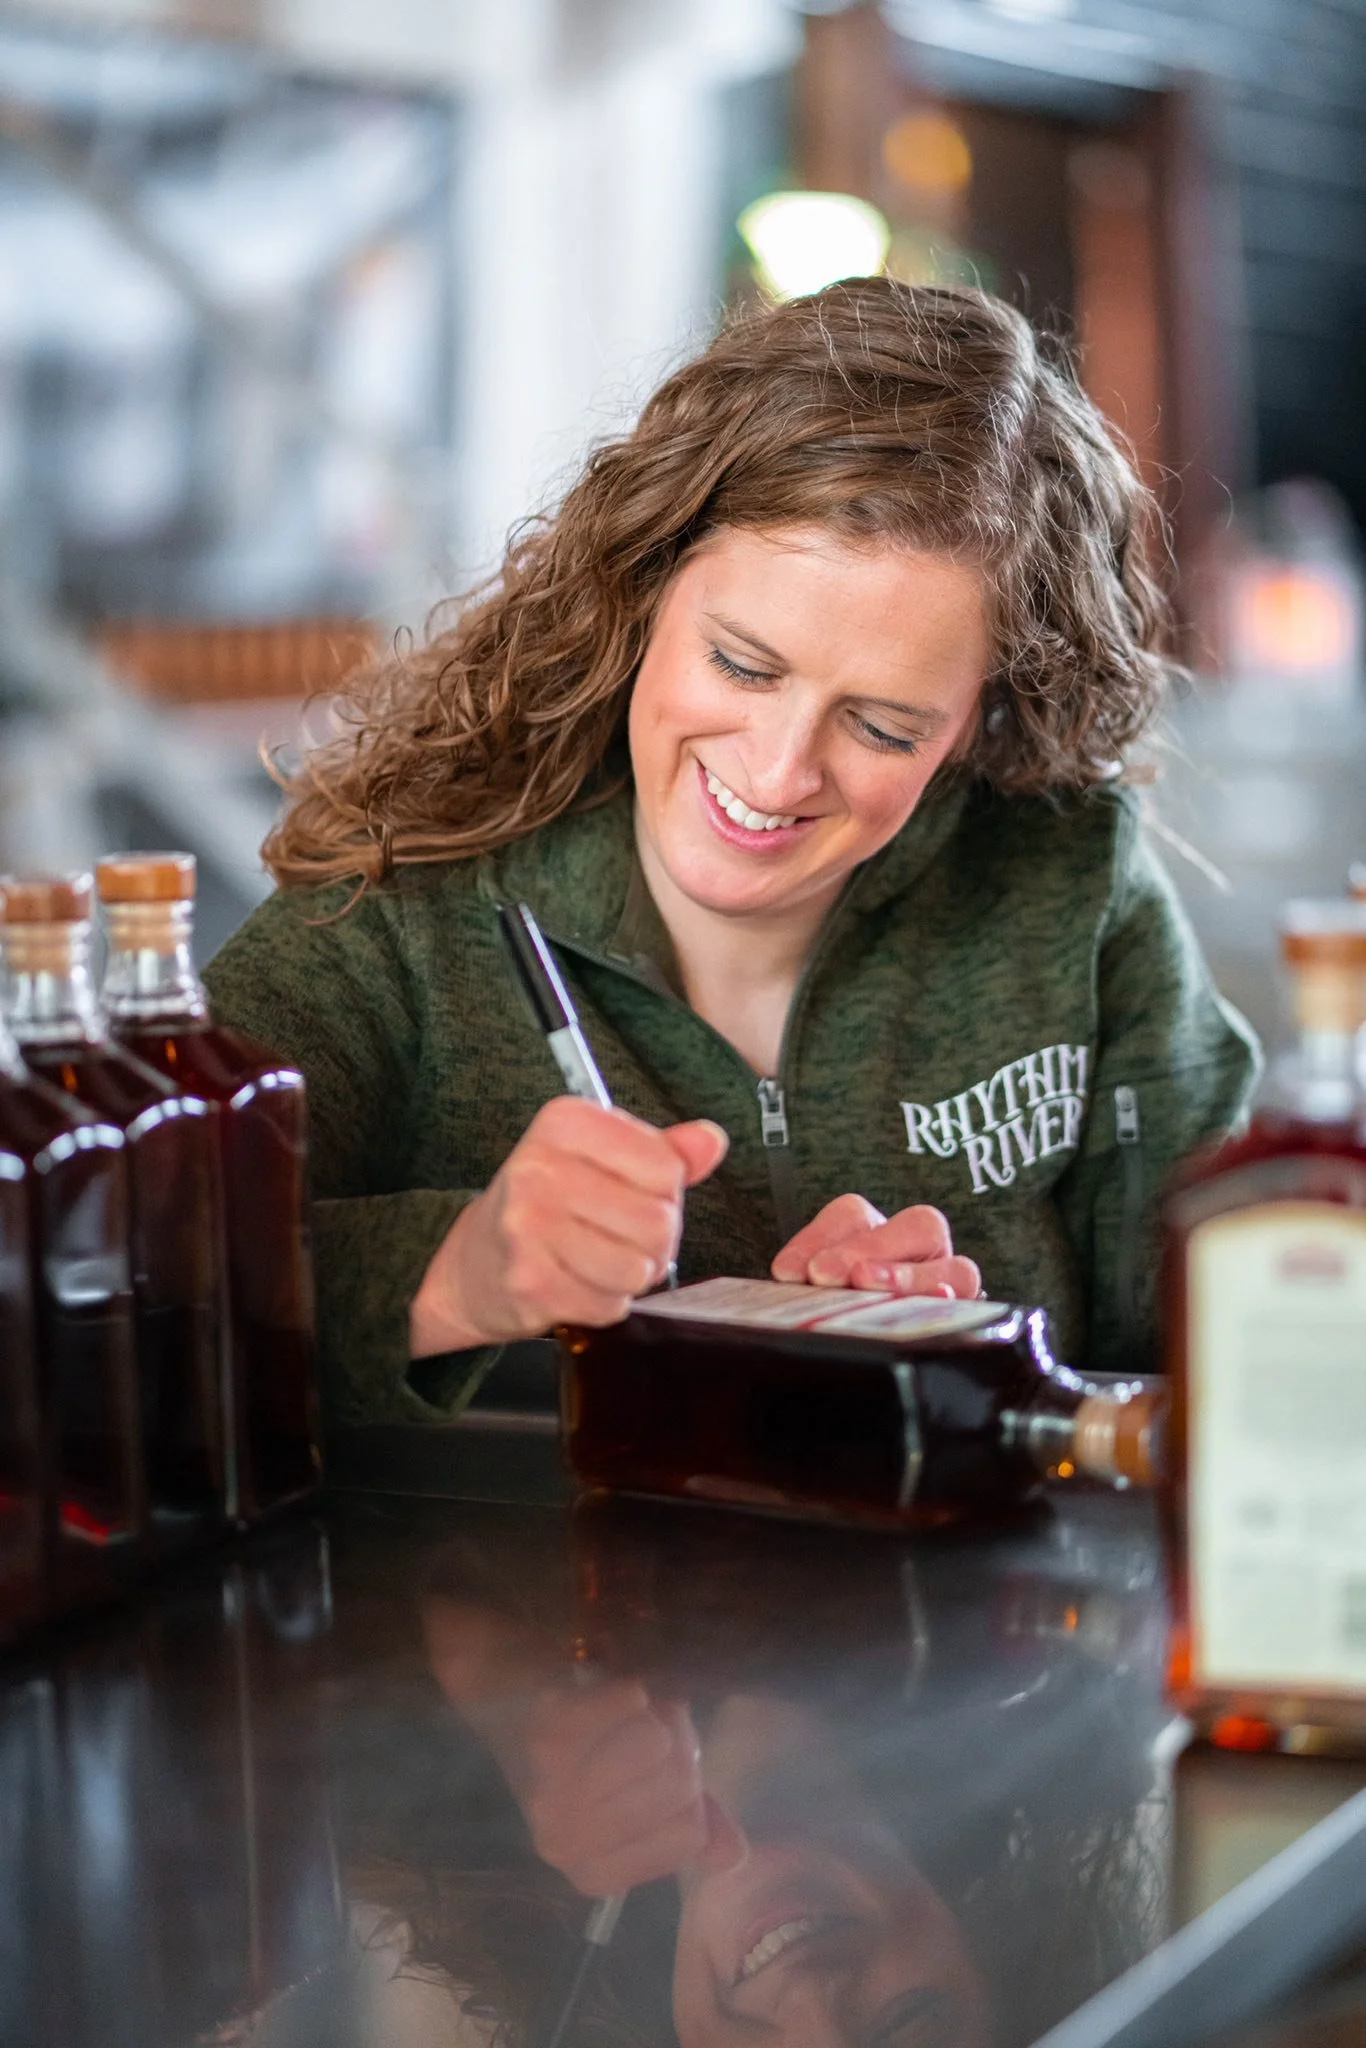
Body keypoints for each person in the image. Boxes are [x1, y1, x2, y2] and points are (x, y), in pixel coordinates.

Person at [204, 279, 1258, 1427]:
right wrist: (453, 1274)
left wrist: (976, 1360)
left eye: (883, 725)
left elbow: (1241, 1344)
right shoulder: (394, 922)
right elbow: (123, 1299)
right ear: (643, 583)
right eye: (744, 667)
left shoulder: (1072, 888)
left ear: (982, 719)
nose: (778, 769)